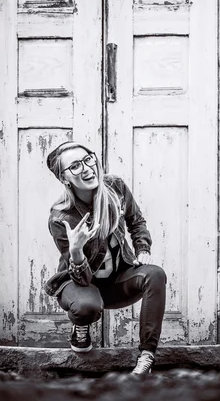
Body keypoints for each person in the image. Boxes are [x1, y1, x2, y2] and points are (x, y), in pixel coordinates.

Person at [45, 141, 167, 375]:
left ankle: (147, 356)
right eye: (76, 166)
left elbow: (136, 220)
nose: (87, 168)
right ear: (64, 178)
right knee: (86, 306)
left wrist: (142, 249)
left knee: (155, 274)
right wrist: (76, 251)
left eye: (88, 159)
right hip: (79, 285)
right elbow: (81, 279)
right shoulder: (61, 217)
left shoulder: (116, 187)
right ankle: (80, 328)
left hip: (117, 282)